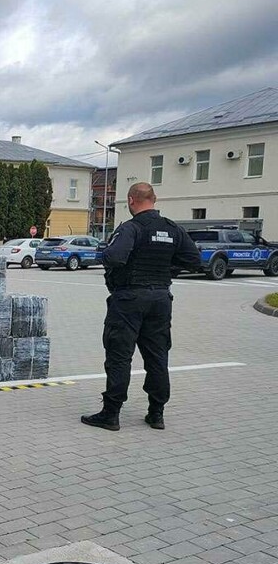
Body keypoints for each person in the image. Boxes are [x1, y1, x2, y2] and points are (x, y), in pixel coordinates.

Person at [81, 182, 201, 432]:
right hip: (160, 299)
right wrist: (164, 269)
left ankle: (111, 414)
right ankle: (156, 414)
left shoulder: (131, 228)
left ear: (132, 200)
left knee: (119, 356)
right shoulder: (172, 229)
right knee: (157, 357)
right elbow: (194, 260)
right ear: (154, 199)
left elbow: (113, 257)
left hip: (129, 299)